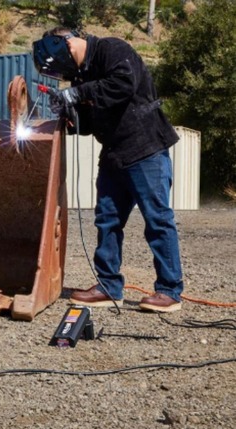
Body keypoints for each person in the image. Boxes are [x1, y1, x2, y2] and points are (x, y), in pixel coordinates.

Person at [32, 28, 184, 313]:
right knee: (107, 220)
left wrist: (76, 94)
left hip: (146, 149)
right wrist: (70, 114)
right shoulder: (81, 75)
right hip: (114, 154)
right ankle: (109, 286)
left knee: (158, 221)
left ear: (66, 41)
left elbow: (123, 84)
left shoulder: (112, 50)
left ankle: (169, 291)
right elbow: (89, 124)